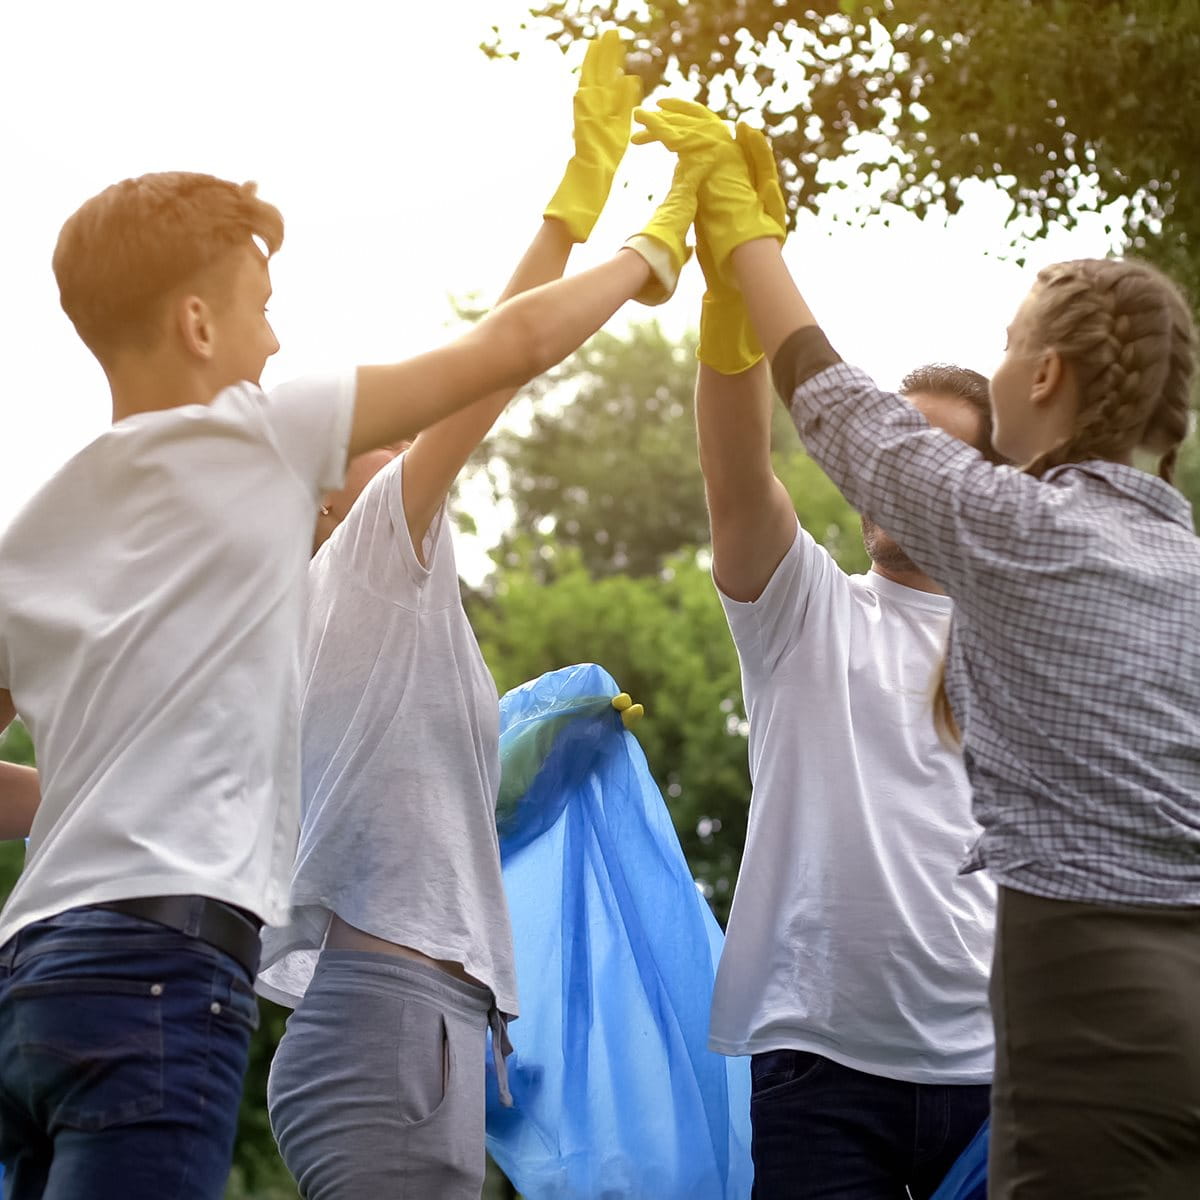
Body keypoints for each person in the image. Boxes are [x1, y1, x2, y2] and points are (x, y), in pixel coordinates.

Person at [0, 57, 697, 1196]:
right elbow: (499, 358)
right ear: (197, 322)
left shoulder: (41, 533)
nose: (276, 344)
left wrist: (81, 792)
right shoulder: (272, 449)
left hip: (33, 973)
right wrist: (648, 242)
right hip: (167, 978)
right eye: (261, 312)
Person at [638, 99, 1200, 1199]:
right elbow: (742, 471)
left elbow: (842, 414)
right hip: (857, 1057)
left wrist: (752, 254)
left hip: (1029, 1045)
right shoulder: (1168, 567)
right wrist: (727, 318)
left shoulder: (1018, 539)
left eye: (1008, 347)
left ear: (1039, 391)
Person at [255, 34, 656, 1200]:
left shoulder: (344, 610)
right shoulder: (369, 551)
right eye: (376, 435)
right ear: (327, 486)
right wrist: (582, 217)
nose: (403, 440)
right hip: (390, 1024)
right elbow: (493, 358)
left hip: (413, 1019)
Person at [694, 157, 998, 1190]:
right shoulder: (807, 610)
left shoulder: (1020, 640)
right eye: (883, 444)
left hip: (1001, 1076)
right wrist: (731, 305)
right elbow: (737, 470)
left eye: (925, 451)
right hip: (821, 1073)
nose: (887, 467)